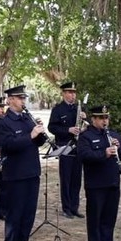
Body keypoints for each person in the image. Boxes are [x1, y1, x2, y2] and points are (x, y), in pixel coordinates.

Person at [0, 85, 48, 241]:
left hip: (32, 171)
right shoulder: (4, 122)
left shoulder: (27, 118)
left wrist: (40, 131)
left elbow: (39, 142)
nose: (23, 101)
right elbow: (8, 145)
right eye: (19, 98)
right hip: (15, 174)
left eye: (24, 98)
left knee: (29, 212)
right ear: (10, 100)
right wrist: (30, 136)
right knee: (15, 213)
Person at [76, 105, 121, 241]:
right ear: (93, 119)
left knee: (110, 214)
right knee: (95, 215)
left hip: (113, 181)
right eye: (101, 118)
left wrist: (119, 148)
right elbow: (84, 156)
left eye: (106, 118)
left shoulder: (113, 135)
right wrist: (103, 153)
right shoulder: (86, 136)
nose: (104, 121)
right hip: (95, 182)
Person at [48, 81, 84, 219]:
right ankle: (66, 208)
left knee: (76, 179)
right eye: (69, 92)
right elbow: (52, 127)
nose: (72, 95)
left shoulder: (78, 109)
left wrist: (84, 119)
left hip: (78, 147)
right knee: (66, 179)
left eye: (74, 92)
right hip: (65, 146)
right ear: (63, 94)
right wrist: (68, 130)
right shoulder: (58, 109)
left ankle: (75, 207)